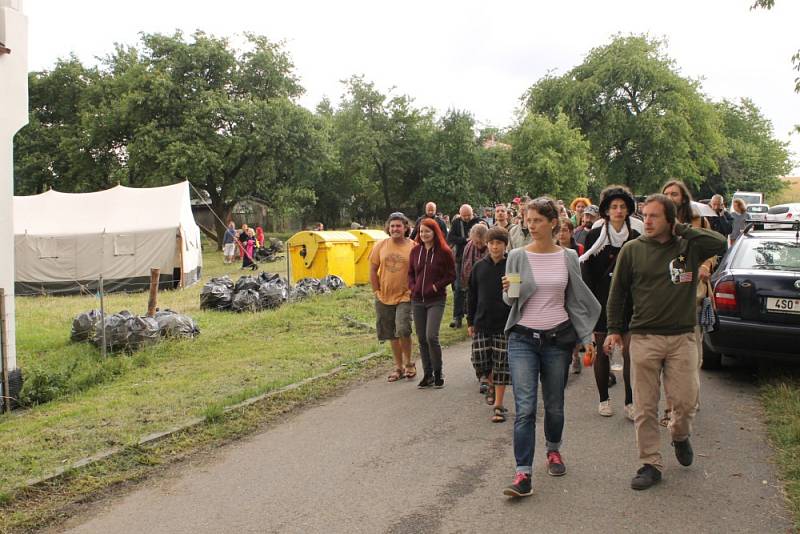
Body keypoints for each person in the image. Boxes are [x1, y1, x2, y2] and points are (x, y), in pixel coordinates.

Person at [604, 194, 726, 491]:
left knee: (685, 402)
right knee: (645, 406)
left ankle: (680, 435)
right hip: (644, 337)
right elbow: (618, 292)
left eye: (654, 216)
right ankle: (650, 463)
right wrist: (613, 329)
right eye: (645, 215)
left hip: (682, 337)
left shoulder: (689, 246)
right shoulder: (632, 250)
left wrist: (682, 230)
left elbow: (720, 244)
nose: (646, 221)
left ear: (670, 220)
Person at [501, 197, 600, 498]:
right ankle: (523, 473)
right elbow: (511, 301)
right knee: (526, 408)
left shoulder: (568, 256)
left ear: (553, 222)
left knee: (555, 405)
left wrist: (586, 338)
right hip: (522, 338)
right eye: (528, 221)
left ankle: (553, 450)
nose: (531, 226)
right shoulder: (516, 255)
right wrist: (507, 290)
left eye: (537, 221)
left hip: (558, 339)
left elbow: (575, 300)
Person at [580, 186, 640, 418]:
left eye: (622, 207)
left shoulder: (636, 237)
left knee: (630, 355)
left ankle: (630, 402)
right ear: (605, 210)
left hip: (630, 301)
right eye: (613, 207)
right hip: (602, 301)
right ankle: (604, 399)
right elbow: (587, 273)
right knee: (603, 351)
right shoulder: (594, 236)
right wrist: (591, 304)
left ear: (628, 210)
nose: (618, 210)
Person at [661, 179, 715, 426]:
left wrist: (705, 265)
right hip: (667, 293)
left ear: (683, 198)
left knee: (692, 350)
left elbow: (715, 248)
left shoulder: (698, 222)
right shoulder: (660, 223)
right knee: (667, 353)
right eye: (666, 193)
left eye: (674, 193)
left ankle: (690, 395)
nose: (670, 196)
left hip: (693, 294)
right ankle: (671, 405)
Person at [468, 226, 512, 423]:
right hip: (482, 321)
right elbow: (472, 296)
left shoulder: (512, 265)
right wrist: (470, 321)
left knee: (502, 363)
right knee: (480, 361)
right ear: (486, 244)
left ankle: (499, 406)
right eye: (492, 243)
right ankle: (490, 382)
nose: (495, 247)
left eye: (499, 243)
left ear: (505, 245)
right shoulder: (479, 267)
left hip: (505, 323)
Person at [408, 218, 457, 389]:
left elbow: (451, 275)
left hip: (436, 300)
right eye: (421, 231)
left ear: (435, 232)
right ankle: (427, 374)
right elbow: (411, 274)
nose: (424, 234)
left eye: (427, 231)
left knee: (431, 336)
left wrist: (436, 286)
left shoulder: (444, 252)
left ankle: (438, 372)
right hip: (417, 300)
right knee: (421, 338)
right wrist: (413, 287)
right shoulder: (415, 252)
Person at [370, 213, 417, 382]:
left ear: (405, 228)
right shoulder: (380, 245)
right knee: (391, 333)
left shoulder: (413, 246)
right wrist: (376, 291)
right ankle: (398, 367)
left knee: (403, 328)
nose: (395, 229)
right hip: (384, 296)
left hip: (405, 295)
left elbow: (418, 272)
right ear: (388, 228)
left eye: (398, 226)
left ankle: (409, 363)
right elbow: (372, 269)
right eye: (392, 226)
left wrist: (413, 290)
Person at [446, 204, 484, 329]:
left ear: (472, 212)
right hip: (460, 259)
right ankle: (457, 317)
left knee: (478, 288)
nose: (467, 218)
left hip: (479, 258)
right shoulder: (457, 223)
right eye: (464, 216)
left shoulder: (479, 221)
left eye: (469, 215)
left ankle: (476, 315)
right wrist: (466, 240)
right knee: (459, 288)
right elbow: (450, 238)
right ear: (460, 214)